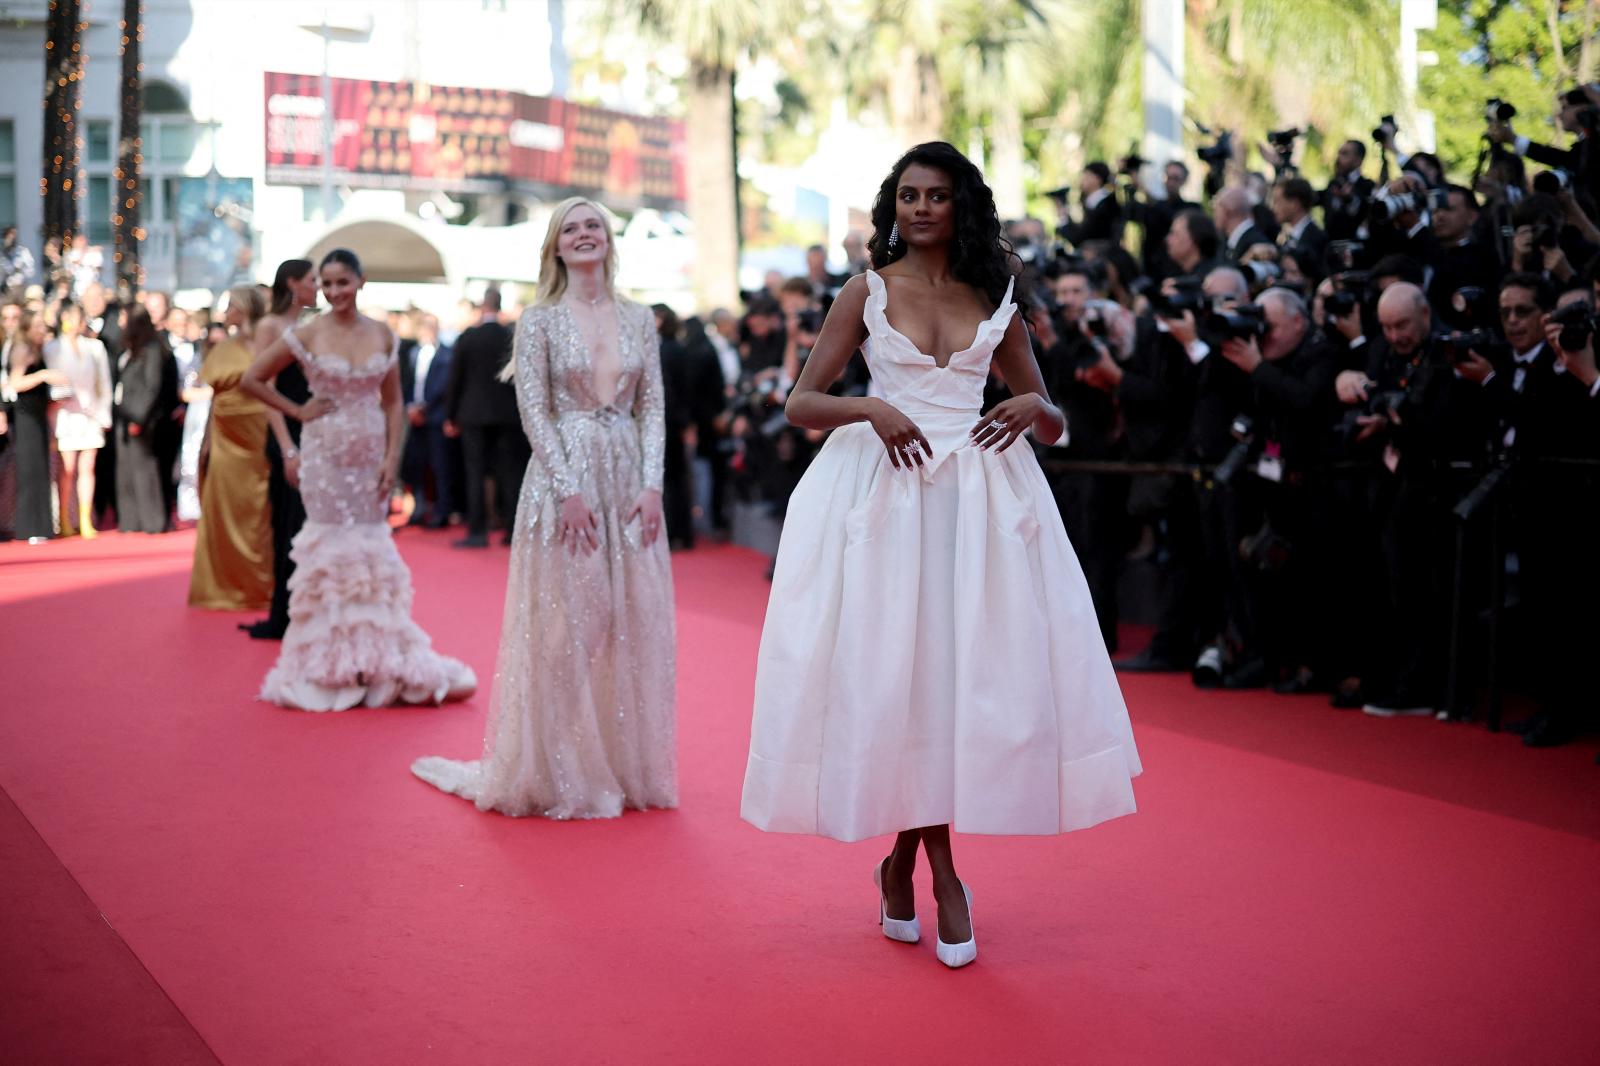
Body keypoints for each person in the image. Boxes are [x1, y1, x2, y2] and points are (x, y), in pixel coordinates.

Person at [740, 143, 1140, 969]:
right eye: (910, 195)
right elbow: (799, 403)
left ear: (963, 206)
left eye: (938, 195)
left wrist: (1032, 400)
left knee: (954, 687)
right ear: (895, 205)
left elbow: (1056, 418)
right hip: (882, 501)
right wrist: (871, 408)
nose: (921, 208)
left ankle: (899, 865)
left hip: (981, 508)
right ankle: (945, 877)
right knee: (903, 683)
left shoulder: (996, 295)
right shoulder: (867, 290)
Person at [412, 197, 676, 818]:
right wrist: (568, 492)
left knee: (626, 622)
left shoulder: (640, 319)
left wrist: (653, 485)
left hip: (628, 480)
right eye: (571, 228)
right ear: (555, 247)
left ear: (610, 241)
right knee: (569, 627)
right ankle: (552, 767)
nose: (585, 235)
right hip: (567, 483)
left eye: (594, 226)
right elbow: (534, 411)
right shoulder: (539, 320)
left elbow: (654, 407)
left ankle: (617, 767)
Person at [241, 248, 476, 711]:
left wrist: (393, 458)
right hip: (324, 455)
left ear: (361, 281)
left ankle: (374, 658)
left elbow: (393, 404)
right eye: (326, 284)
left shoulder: (383, 335)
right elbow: (252, 379)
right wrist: (298, 411)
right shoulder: (306, 332)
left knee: (370, 549)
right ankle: (330, 664)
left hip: (368, 454)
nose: (333, 293)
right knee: (329, 551)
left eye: (342, 283)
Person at [242, 259, 317, 640]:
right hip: (286, 433)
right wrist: (288, 448)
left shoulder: (307, 326)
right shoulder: (270, 326)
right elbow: (263, 390)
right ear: (292, 283)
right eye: (312, 279)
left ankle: (298, 612)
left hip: (309, 432)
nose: (318, 285)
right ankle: (281, 617)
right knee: (286, 523)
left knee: (303, 526)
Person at [187, 285, 273, 611]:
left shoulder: (269, 343)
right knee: (224, 509)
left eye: (231, 306)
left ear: (245, 309)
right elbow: (213, 400)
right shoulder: (221, 348)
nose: (225, 313)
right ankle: (220, 587)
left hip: (260, 438)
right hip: (225, 441)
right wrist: (207, 442)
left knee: (259, 514)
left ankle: (260, 586)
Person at [444, 287, 527, 547]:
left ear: (483, 306)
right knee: (510, 473)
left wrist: (451, 415)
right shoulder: (511, 335)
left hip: (474, 415)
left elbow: (455, 377)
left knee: (475, 472)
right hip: (508, 417)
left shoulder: (470, 337)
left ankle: (477, 531)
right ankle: (513, 530)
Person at [44, 301, 112, 538]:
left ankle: (85, 518)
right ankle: (63, 517)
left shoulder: (94, 347)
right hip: (64, 414)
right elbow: (49, 380)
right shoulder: (52, 348)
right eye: (70, 317)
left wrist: (104, 413)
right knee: (67, 468)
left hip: (90, 412)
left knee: (88, 466)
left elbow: (104, 382)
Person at [113, 305, 174, 533]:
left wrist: (138, 418)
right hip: (123, 415)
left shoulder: (152, 348)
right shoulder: (131, 348)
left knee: (144, 469)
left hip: (141, 419)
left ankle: (152, 521)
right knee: (126, 470)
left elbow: (152, 387)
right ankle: (131, 521)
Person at [6, 311, 66, 541]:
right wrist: (42, 376)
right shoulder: (22, 349)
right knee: (30, 471)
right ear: (27, 328)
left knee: (41, 469)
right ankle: (29, 528)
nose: (43, 329)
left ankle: (41, 527)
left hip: (38, 415)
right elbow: (15, 383)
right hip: (26, 418)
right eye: (38, 325)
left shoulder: (37, 348)